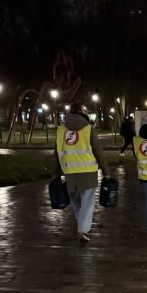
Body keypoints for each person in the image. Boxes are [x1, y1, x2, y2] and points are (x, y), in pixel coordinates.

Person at [53, 103, 111, 243]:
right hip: (87, 171)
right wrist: (106, 171)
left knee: (76, 202)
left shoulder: (60, 130)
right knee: (87, 202)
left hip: (69, 171)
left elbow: (56, 153)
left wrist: (56, 172)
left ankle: (81, 227)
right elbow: (98, 151)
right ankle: (83, 229)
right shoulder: (88, 129)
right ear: (82, 113)